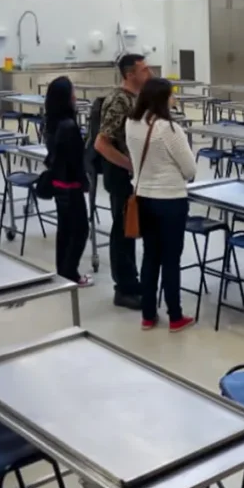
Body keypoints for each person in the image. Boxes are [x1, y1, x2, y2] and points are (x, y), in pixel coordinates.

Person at [125, 78, 198, 333]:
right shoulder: (167, 128)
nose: (174, 99)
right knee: (170, 259)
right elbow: (190, 169)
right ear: (162, 98)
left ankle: (147, 314)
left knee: (150, 256)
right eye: (171, 95)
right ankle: (175, 316)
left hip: (143, 197)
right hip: (170, 201)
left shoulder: (131, 123)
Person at [95, 53, 151, 310]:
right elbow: (102, 144)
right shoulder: (118, 101)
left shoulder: (137, 98)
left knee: (131, 230)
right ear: (130, 74)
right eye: (144, 70)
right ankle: (124, 288)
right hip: (120, 177)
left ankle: (133, 281)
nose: (148, 74)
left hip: (135, 177)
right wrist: (130, 165)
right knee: (122, 231)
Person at [43, 76, 91, 288]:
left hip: (57, 183)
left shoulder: (51, 124)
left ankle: (63, 270)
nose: (75, 95)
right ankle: (71, 272)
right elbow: (75, 160)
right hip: (71, 184)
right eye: (72, 91)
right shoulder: (69, 126)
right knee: (80, 230)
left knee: (65, 229)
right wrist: (85, 182)